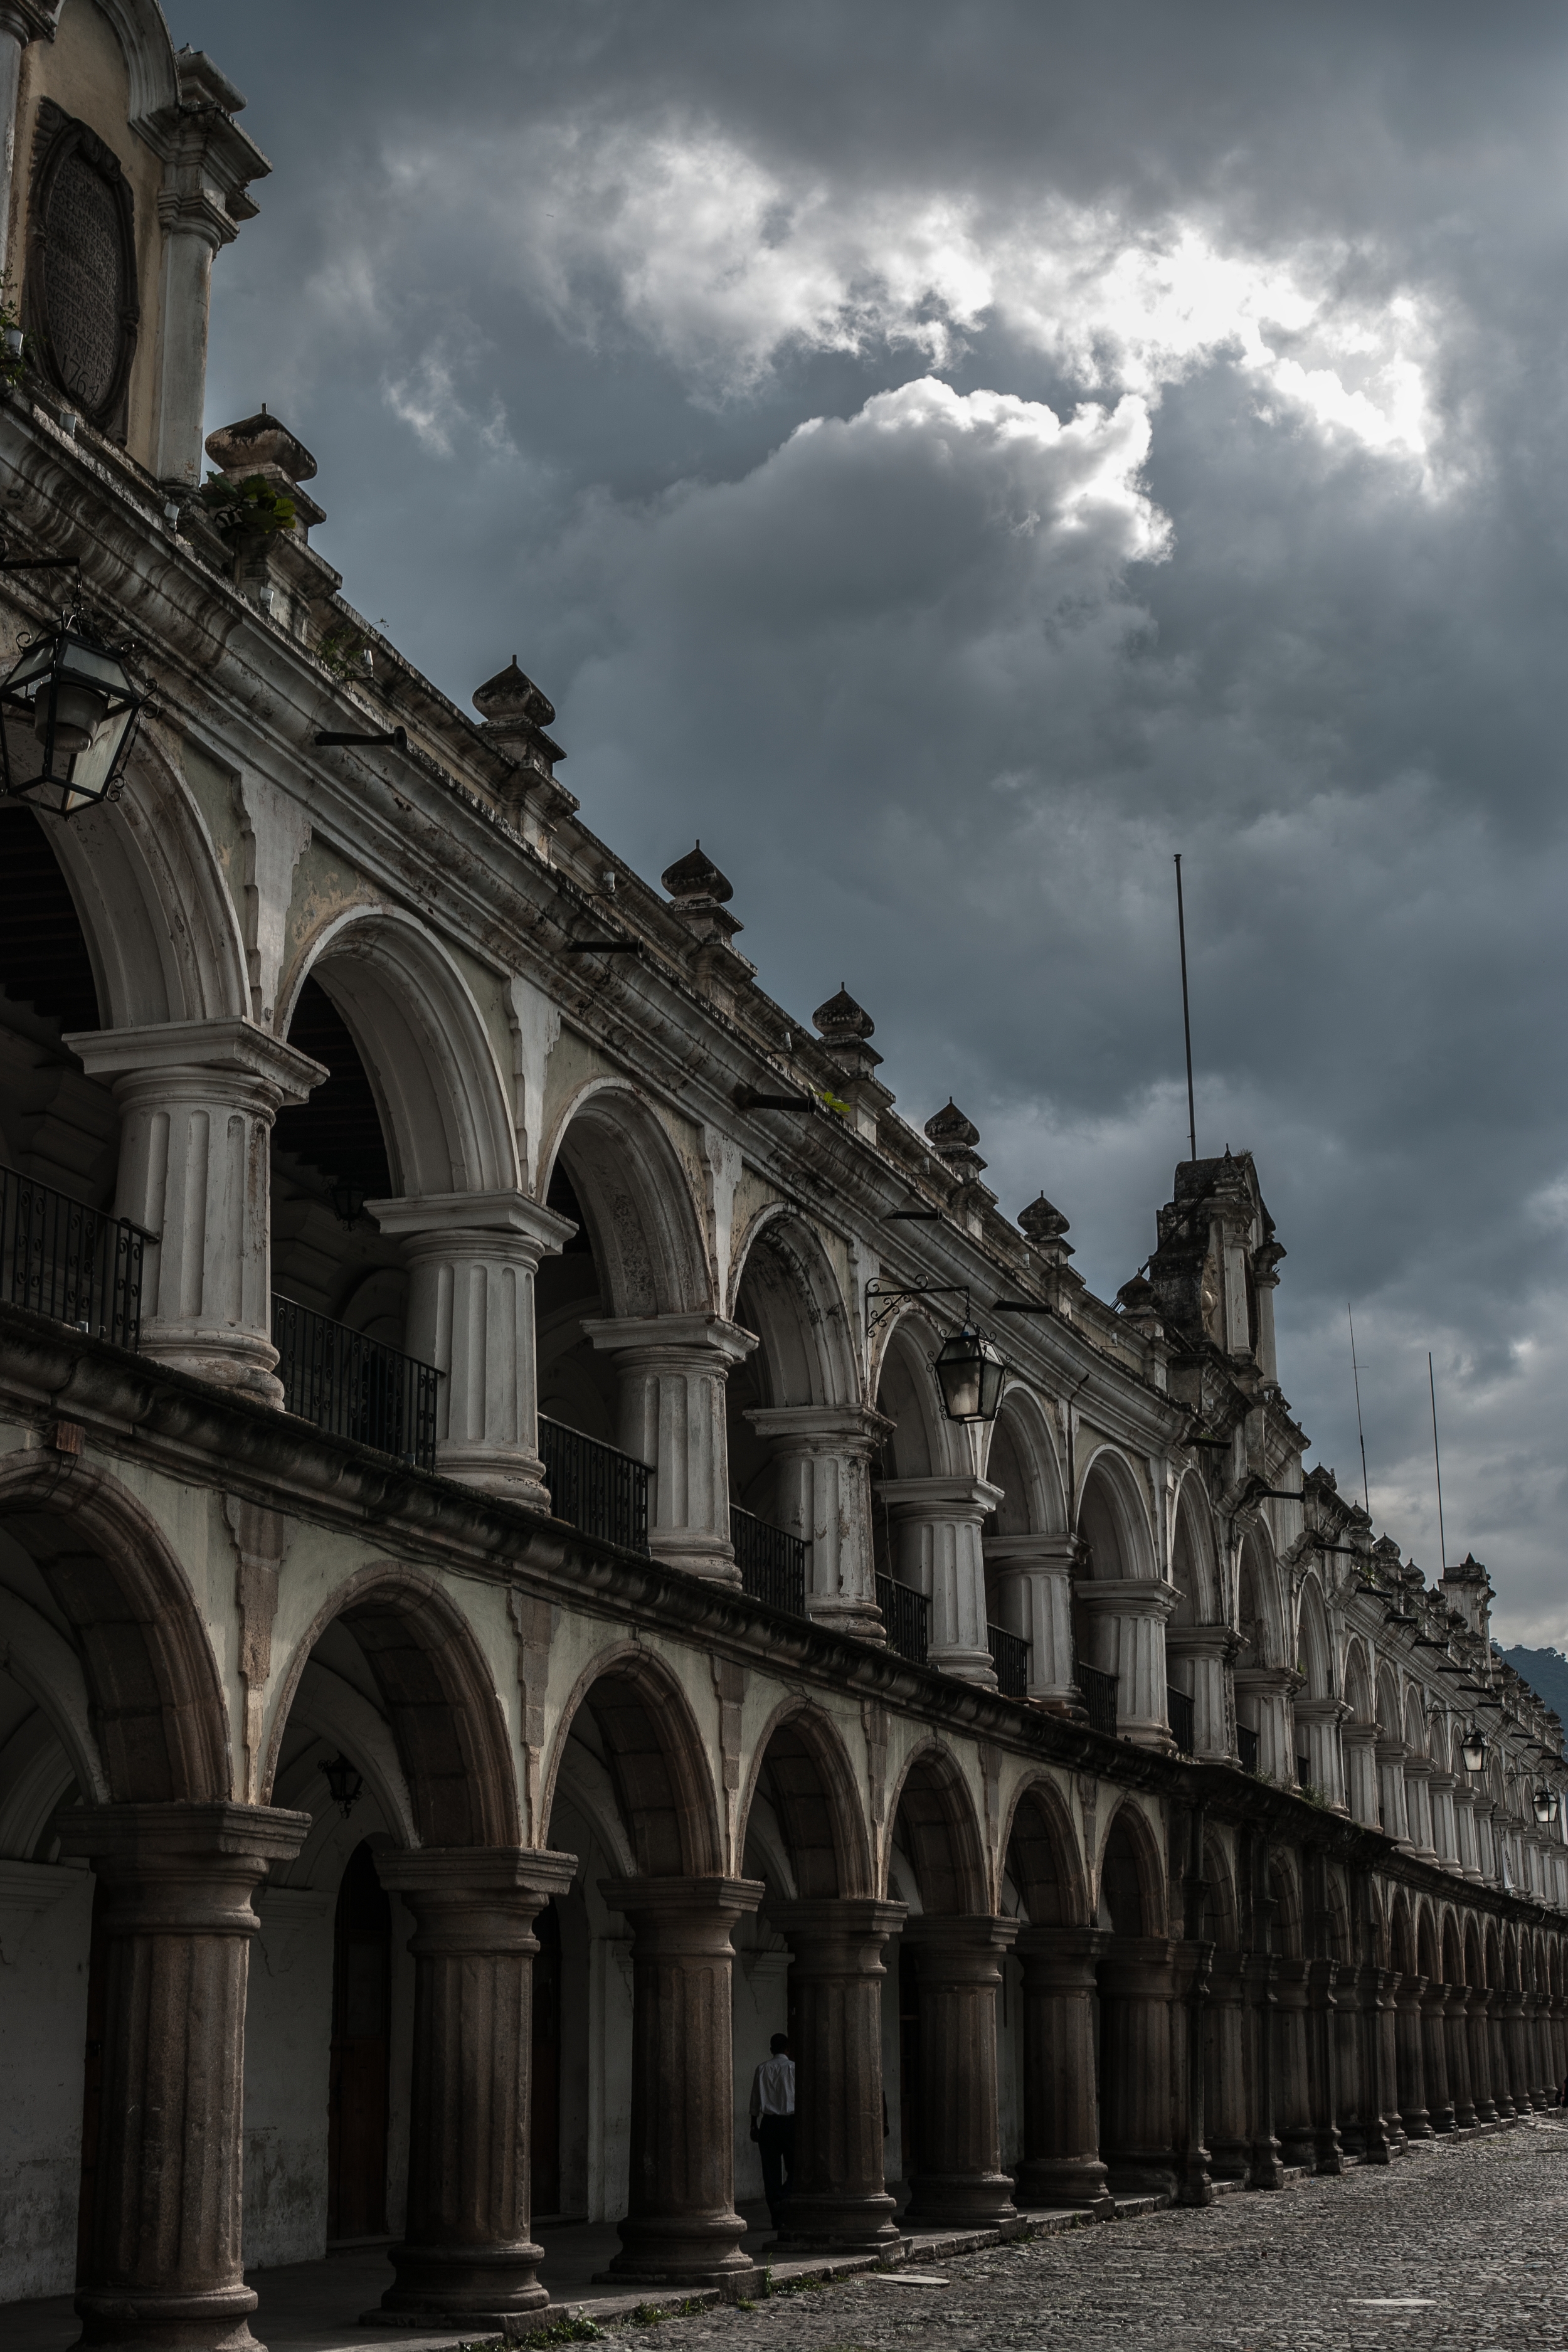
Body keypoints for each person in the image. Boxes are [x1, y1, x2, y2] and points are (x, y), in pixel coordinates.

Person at [749, 2032, 795, 2232]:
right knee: (797, 2168)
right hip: (790, 2123)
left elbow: (755, 2100)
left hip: (768, 2124)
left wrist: (754, 2124)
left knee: (770, 2172)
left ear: (771, 2050)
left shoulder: (762, 2069)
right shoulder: (794, 2069)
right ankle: (784, 2198)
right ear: (788, 2049)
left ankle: (776, 2214)